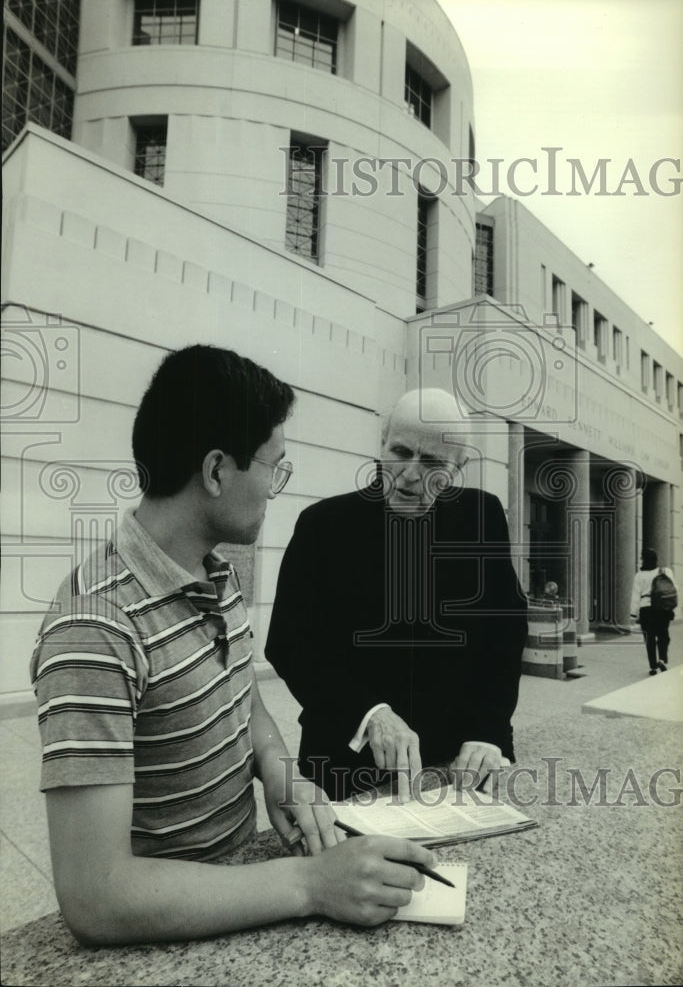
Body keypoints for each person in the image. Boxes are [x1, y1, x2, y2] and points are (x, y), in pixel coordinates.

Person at [30, 345, 434, 945]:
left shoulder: (216, 574)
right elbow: (97, 896)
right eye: (275, 467)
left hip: (242, 895)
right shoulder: (94, 631)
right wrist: (309, 884)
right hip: (166, 934)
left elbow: (241, 697)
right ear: (217, 471)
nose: (276, 488)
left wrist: (277, 768)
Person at [265, 388, 528, 803]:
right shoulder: (322, 526)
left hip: (454, 769)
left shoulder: (484, 517)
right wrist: (370, 714)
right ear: (381, 443)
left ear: (459, 466)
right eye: (400, 451)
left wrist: (489, 733)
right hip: (342, 768)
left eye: (432, 463)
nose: (409, 474)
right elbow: (290, 645)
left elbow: (504, 635)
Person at [630, 547, 677, 675]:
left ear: (643, 560)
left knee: (649, 638)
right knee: (663, 635)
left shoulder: (639, 575)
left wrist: (633, 614)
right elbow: (673, 588)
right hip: (662, 608)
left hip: (646, 609)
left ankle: (652, 667)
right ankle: (662, 658)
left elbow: (635, 596)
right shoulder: (665, 571)